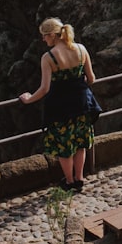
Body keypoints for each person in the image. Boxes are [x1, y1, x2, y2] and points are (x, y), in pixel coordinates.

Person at [18, 17, 99, 192]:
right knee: (80, 142)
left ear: (53, 35)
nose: (43, 39)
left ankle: (69, 181)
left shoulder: (48, 58)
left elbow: (45, 88)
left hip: (60, 107)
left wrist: (28, 99)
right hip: (82, 103)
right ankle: (79, 178)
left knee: (64, 145)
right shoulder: (81, 49)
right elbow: (91, 79)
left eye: (45, 36)